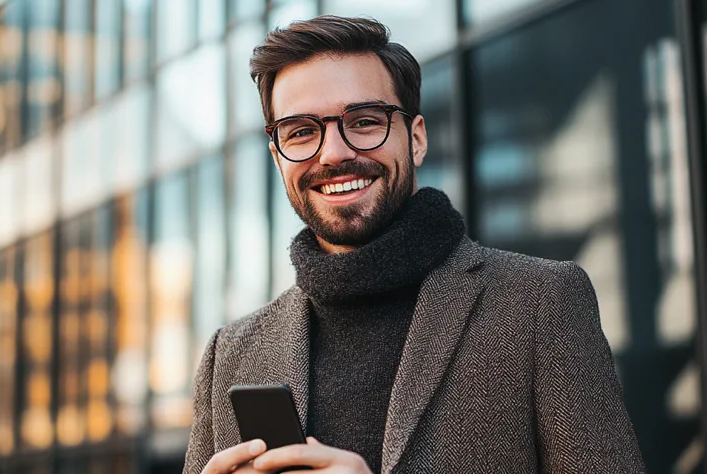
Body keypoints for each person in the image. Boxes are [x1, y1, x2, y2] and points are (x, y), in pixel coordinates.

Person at [183, 15, 645, 474]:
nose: (334, 153)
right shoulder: (230, 353)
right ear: (277, 156)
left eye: (364, 121)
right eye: (301, 131)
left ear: (417, 139)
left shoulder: (541, 302)